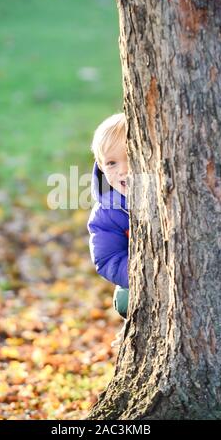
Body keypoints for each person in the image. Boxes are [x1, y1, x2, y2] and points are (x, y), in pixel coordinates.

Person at [87, 112, 129, 347]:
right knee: (127, 300)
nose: (122, 171)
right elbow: (107, 258)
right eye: (112, 163)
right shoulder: (108, 213)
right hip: (133, 283)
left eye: (130, 158)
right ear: (102, 168)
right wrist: (140, 272)